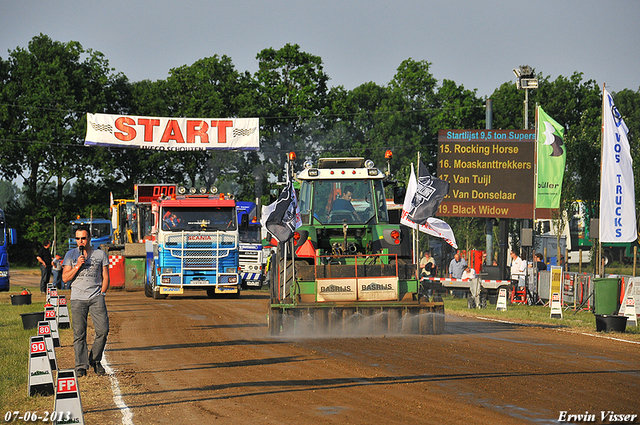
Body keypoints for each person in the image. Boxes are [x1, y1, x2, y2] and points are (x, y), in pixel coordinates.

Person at [62, 226, 110, 377]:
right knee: (79, 334)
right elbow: (65, 278)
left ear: (89, 238)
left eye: (83, 238)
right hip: (77, 298)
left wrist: (102, 293)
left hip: (96, 297)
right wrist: (77, 265)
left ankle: (95, 360)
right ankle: (81, 366)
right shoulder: (70, 255)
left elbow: (106, 276)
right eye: (77, 238)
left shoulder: (100, 254)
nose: (80, 241)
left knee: (103, 330)